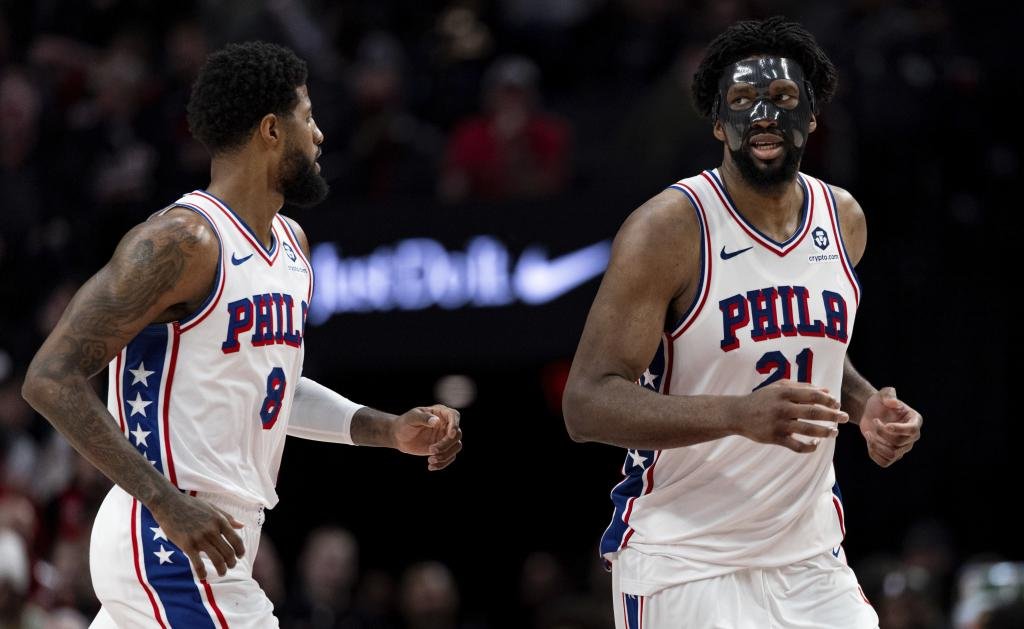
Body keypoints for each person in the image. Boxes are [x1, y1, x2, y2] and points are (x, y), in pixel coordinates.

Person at [21, 41, 463, 628]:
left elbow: (272, 392)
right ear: (272, 130)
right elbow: (49, 378)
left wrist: (389, 430)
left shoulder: (293, 247)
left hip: (217, 538)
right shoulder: (183, 241)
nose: (321, 135)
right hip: (169, 540)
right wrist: (165, 504)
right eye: (309, 116)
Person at [562, 16, 922, 628]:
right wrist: (739, 414)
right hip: (686, 560)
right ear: (717, 121)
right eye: (740, 99)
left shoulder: (843, 219)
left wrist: (862, 405)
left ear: (811, 115)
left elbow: (810, 346)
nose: (762, 113)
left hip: (810, 557)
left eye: (782, 97)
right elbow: (585, 405)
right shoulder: (668, 229)